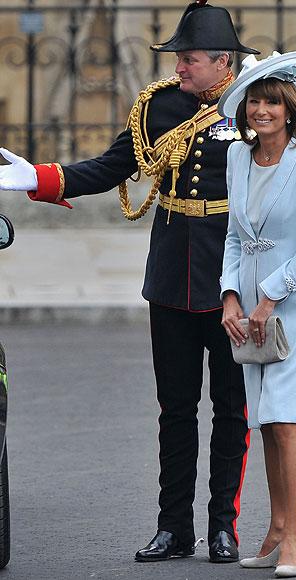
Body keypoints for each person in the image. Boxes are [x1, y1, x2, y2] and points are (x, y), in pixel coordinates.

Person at [0, 1, 260, 564]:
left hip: (233, 279)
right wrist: (41, 178)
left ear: (223, 62)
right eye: (179, 59)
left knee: (233, 411)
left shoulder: (254, 106)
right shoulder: (160, 106)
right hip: (170, 276)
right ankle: (172, 527)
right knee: (175, 409)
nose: (179, 68)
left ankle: (223, 528)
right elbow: (117, 164)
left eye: (188, 59)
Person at [218, 51, 296, 577]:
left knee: (285, 418)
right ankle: (274, 527)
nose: (260, 110)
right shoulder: (237, 159)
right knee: (263, 422)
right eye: (252, 102)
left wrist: (268, 297)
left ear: (289, 108)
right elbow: (233, 238)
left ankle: (295, 539)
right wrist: (231, 298)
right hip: (248, 311)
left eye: (270, 102)